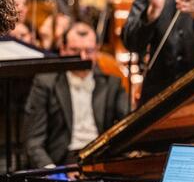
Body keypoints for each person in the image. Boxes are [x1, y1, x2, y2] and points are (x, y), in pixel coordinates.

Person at [24, 21, 128, 168]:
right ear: (63, 49)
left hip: (101, 159)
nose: (83, 57)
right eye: (75, 51)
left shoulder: (113, 83)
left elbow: (128, 128)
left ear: (97, 50)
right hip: (61, 162)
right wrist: (53, 173)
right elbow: (34, 142)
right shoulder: (45, 83)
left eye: (89, 51)